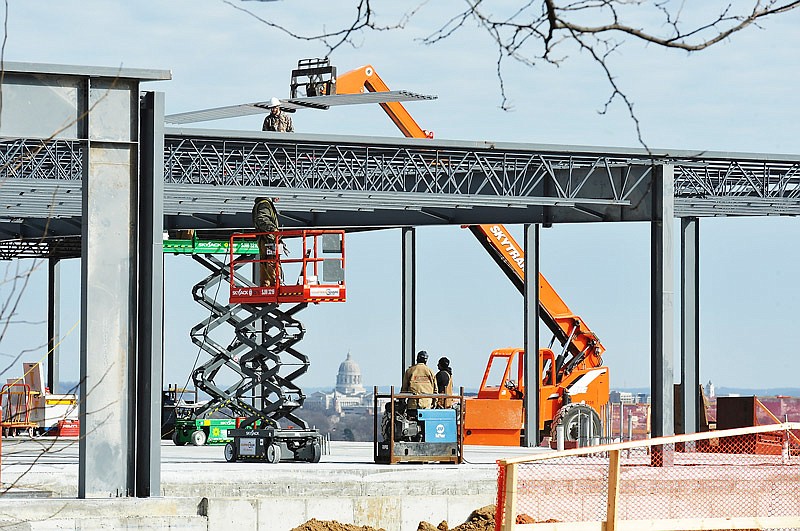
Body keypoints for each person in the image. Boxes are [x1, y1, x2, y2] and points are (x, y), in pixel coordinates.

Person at [252, 196, 280, 286]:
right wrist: (273, 229)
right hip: (268, 239)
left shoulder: (261, 204)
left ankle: (266, 284)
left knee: (265, 262)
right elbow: (261, 218)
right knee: (271, 262)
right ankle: (273, 283)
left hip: (265, 239)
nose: (279, 198)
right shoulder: (264, 204)